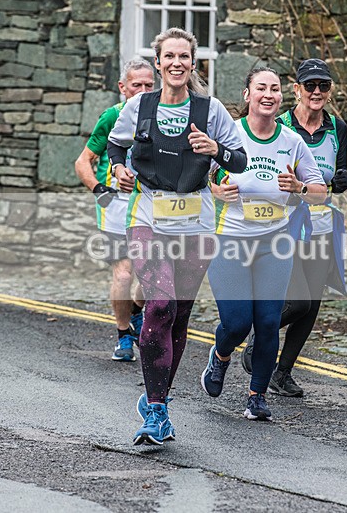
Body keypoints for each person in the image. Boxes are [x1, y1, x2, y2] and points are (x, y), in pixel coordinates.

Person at [106, 28, 248, 445]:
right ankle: (154, 407)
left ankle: (160, 403)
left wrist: (215, 151)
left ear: (193, 63)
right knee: (161, 304)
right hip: (148, 215)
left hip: (197, 223)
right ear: (158, 62)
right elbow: (116, 147)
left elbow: (238, 159)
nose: (176, 64)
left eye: (184, 57)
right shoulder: (139, 106)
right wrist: (118, 169)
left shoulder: (211, 110)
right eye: (169, 56)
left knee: (180, 315)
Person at [201, 66, 326, 420]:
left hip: (275, 242)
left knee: (269, 321)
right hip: (231, 241)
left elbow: (319, 192)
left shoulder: (292, 142)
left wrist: (299, 188)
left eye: (275, 89)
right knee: (238, 322)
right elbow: (196, 179)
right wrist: (215, 189)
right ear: (247, 95)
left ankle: (256, 396)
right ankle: (220, 356)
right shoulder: (227, 136)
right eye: (261, 88)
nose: (269, 95)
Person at [240, 59, 347, 397]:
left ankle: (282, 372)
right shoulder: (283, 125)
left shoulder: (337, 128)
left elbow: (340, 177)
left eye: (323, 86)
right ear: (297, 90)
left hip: (320, 225)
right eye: (310, 86)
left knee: (312, 303)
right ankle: (259, 334)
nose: (316, 92)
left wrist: (344, 180)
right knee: (299, 301)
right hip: (283, 225)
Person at [74, 57, 153, 362]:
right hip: (117, 206)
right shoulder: (112, 117)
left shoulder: (165, 115)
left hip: (152, 205)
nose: (143, 91)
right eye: (137, 85)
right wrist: (98, 189)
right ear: (123, 87)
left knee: (152, 275)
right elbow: (83, 161)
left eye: (149, 85)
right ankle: (123, 337)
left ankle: (135, 311)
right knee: (124, 274)